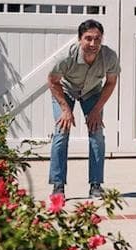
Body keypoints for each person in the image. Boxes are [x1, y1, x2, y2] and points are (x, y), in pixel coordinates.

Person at [48, 19, 120, 198]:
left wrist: (96, 111)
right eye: (88, 38)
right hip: (65, 90)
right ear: (80, 39)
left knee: (97, 134)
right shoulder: (66, 56)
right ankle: (58, 185)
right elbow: (53, 81)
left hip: (92, 91)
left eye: (97, 39)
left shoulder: (109, 56)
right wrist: (66, 110)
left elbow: (111, 83)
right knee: (61, 133)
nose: (93, 43)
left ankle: (96, 185)